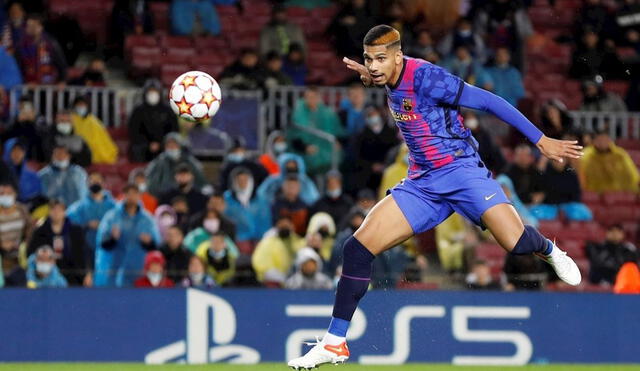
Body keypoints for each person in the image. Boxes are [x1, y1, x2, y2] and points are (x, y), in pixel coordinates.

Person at [289, 25, 583, 369]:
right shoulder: (385, 76)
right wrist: (372, 78)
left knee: (517, 244)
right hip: (423, 183)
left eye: (380, 59)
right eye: (369, 59)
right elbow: (385, 80)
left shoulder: (429, 78)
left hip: (462, 173)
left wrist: (540, 139)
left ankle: (548, 249)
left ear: (399, 56)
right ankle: (335, 342)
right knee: (356, 249)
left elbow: (488, 100)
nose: (373, 65)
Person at [95, 184, 161, 287]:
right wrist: (112, 239)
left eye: (134, 194)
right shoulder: (111, 217)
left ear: (139, 196)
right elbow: (101, 244)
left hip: (139, 271)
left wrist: (148, 243)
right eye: (128, 194)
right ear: (124, 195)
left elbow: (156, 247)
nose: (131, 197)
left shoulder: (147, 220)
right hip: (113, 271)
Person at [27, 199, 87, 286]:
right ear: (49, 212)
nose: (56, 213)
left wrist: (87, 273)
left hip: (74, 274)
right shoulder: (40, 231)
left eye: (59, 210)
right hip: (47, 275)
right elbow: (31, 253)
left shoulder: (75, 231)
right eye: (53, 209)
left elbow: (83, 253)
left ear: (65, 211)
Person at [289, 86, 345, 176]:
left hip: (327, 151)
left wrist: (337, 141)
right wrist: (305, 147)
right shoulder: (299, 113)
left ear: (319, 98)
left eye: (313, 97)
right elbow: (294, 134)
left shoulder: (327, 113)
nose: (311, 100)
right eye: (308, 97)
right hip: (304, 151)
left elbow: (337, 130)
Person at [67, 172, 116, 272]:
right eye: (92, 181)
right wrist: (87, 224)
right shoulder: (80, 206)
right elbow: (68, 218)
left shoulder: (113, 206)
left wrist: (103, 225)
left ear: (103, 183)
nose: (95, 183)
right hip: (86, 249)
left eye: (98, 180)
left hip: (108, 248)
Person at [128, 79, 179, 162]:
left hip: (164, 144)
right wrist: (148, 145)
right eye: (150, 91)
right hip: (144, 146)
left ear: (160, 92)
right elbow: (134, 131)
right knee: (137, 148)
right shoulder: (138, 110)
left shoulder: (168, 110)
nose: (152, 94)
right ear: (145, 93)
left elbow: (174, 130)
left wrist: (161, 143)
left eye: (155, 91)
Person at [529, 156, 593, 221]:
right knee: (535, 212)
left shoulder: (571, 174)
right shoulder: (544, 173)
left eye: (562, 159)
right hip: (549, 206)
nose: (559, 161)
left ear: (566, 160)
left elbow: (576, 195)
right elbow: (538, 190)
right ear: (552, 160)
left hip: (568, 205)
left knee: (584, 213)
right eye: (556, 159)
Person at [351, 105, 398, 192]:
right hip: (367, 175)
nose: (372, 117)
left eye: (374, 114)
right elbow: (357, 156)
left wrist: (385, 165)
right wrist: (371, 166)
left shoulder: (391, 133)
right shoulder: (361, 136)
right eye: (369, 115)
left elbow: (395, 153)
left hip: (387, 172)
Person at [145, 132, 208, 197]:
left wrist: (203, 188)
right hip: (164, 196)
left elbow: (200, 179)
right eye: (169, 145)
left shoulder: (189, 160)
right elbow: (151, 180)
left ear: (180, 146)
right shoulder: (159, 161)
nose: (172, 148)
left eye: (174, 145)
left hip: (188, 196)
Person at [223, 167, 272, 248]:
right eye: (239, 180)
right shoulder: (227, 198)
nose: (242, 183)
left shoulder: (261, 199)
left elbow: (265, 220)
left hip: (259, 239)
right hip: (236, 240)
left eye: (245, 180)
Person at [14, 14, 67, 84]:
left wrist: (63, 81)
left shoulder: (50, 44)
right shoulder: (20, 46)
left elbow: (62, 65)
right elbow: (17, 68)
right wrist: (24, 82)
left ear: (40, 27)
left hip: (49, 88)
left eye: (33, 26)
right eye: (28, 26)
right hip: (29, 88)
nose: (29, 28)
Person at [252, 215, 303, 282]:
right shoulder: (268, 241)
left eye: (287, 226)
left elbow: (301, 251)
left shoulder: (294, 240)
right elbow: (260, 261)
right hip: (271, 277)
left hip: (291, 275)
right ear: (277, 226)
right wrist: (276, 274)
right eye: (282, 226)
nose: (285, 228)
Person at [0, 182, 32, 286]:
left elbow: (30, 229)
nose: (6, 196)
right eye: (2, 193)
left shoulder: (22, 210)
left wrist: (24, 245)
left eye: (9, 193)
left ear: (15, 194)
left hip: (19, 256)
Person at [70, 97, 118, 164]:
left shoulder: (93, 120)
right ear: (74, 106)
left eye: (83, 105)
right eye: (79, 105)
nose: (81, 107)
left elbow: (103, 137)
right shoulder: (70, 119)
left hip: (93, 150)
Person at [0, 97, 44, 162]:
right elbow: (6, 135)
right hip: (17, 152)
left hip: (34, 154)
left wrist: (33, 121)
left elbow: (43, 136)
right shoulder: (15, 119)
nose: (23, 109)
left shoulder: (39, 119)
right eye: (21, 106)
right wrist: (17, 122)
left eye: (26, 106)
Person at [3, 139, 42, 205]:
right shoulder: (2, 173)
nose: (17, 153)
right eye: (14, 150)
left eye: (20, 150)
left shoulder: (32, 175)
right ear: (7, 151)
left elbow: (37, 194)